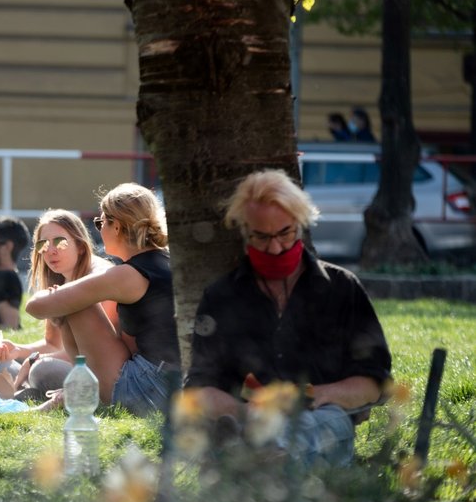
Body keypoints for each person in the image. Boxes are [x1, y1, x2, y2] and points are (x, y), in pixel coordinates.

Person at [183, 169, 392, 467]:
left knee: (314, 425)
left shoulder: (342, 288)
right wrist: (247, 413)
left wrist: (317, 395)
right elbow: (199, 387)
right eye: (262, 237)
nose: (275, 247)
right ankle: (263, 455)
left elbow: (375, 382)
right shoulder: (221, 297)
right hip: (250, 420)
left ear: (300, 224)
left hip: (325, 419)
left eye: (285, 233)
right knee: (251, 429)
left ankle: (267, 459)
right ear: (245, 231)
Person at [25, 183, 179, 415]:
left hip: (148, 390)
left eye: (100, 223)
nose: (99, 230)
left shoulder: (126, 275)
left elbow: (36, 307)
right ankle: (77, 388)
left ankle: (80, 389)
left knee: (76, 303)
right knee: (74, 299)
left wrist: (53, 293)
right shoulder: (164, 261)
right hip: (172, 384)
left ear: (115, 226)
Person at [0, 210, 116, 398]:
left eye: (60, 241)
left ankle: (32, 388)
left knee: (42, 369)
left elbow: (94, 352)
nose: (50, 250)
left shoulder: (97, 278)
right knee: (2, 362)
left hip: (97, 371)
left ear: (80, 245)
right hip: (69, 365)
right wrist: (18, 351)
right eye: (43, 244)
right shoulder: (61, 282)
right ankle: (33, 389)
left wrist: (33, 361)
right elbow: (52, 344)